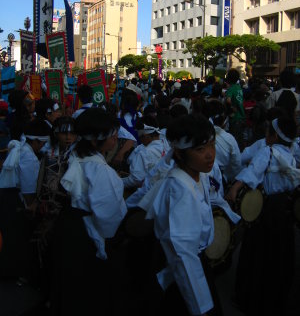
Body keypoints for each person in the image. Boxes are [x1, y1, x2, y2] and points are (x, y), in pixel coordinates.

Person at [146, 114, 223, 315]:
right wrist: (201, 306)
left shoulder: (198, 175)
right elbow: (183, 254)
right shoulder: (180, 190)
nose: (210, 155)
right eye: (200, 149)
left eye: (212, 146)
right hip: (185, 265)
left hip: (194, 259)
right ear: (179, 154)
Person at [52, 108, 127, 315]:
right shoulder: (100, 170)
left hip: (68, 226)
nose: (115, 139)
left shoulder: (74, 154)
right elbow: (108, 216)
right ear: (96, 140)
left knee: (68, 283)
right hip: (86, 234)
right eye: (112, 136)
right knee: (87, 289)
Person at [227, 116, 299, 316]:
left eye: (269, 131)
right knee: (279, 255)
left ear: (274, 136)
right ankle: (274, 299)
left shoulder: (268, 151)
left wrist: (234, 188)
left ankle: (250, 297)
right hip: (284, 211)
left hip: (265, 210)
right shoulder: (291, 155)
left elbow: (252, 172)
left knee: (257, 253)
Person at [0, 119, 50, 281]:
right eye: (42, 143)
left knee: (8, 235)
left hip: (6, 194)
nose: (42, 146)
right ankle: (15, 271)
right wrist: (31, 206)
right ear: (35, 141)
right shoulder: (29, 157)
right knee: (16, 237)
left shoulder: (19, 149)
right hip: (14, 199)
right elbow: (29, 189)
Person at [225, 69, 245, 149]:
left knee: (234, 139)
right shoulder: (239, 88)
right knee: (240, 138)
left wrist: (232, 107)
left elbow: (228, 100)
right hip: (242, 116)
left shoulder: (231, 88)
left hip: (235, 117)